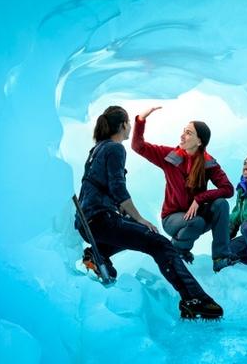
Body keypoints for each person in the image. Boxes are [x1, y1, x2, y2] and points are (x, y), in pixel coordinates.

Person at [74, 105, 223, 320]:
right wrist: (139, 218)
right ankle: (195, 299)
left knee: (132, 232)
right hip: (101, 220)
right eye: (129, 124)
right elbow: (118, 189)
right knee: (159, 243)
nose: (130, 128)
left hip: (88, 223)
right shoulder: (115, 149)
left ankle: (98, 254)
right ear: (123, 125)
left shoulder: (97, 148)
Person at [131, 106, 235, 272]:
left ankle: (221, 257)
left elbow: (228, 189)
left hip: (197, 214)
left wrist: (200, 199)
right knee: (197, 221)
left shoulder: (209, 163)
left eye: (188, 133)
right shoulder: (169, 156)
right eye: (183, 131)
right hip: (172, 218)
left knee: (221, 204)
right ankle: (178, 250)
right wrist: (141, 120)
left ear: (199, 141)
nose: (182, 135)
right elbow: (138, 146)